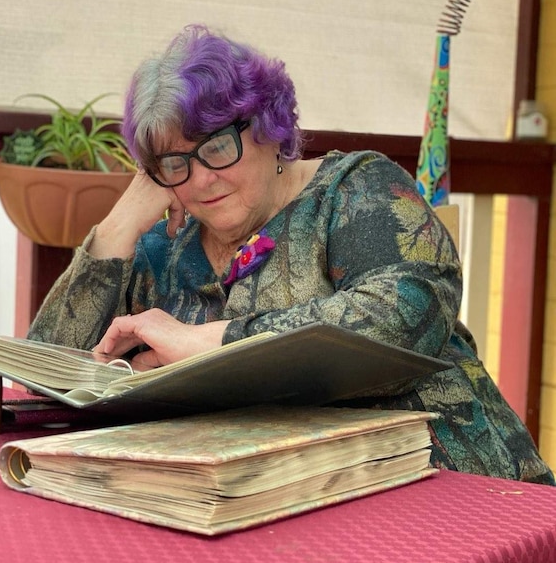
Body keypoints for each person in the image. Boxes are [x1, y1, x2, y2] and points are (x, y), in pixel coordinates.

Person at [27, 24, 554, 484]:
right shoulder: (164, 245)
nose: (202, 179)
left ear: (267, 126)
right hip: (270, 504)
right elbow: (46, 374)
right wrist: (122, 222)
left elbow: (406, 316)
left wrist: (207, 341)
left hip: (449, 485)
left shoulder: (354, 189)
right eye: (174, 162)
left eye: (215, 146)